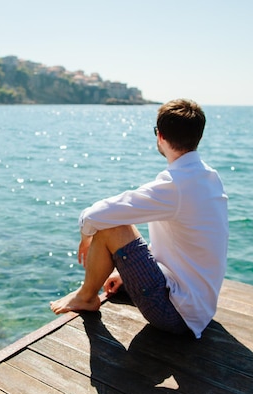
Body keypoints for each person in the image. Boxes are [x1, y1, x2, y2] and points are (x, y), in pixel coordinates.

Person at [50, 98, 228, 339]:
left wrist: (85, 237)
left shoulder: (175, 185)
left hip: (178, 317)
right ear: (198, 136)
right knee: (120, 224)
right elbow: (179, 245)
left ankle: (87, 296)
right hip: (200, 307)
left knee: (111, 228)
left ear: (160, 136)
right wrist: (125, 273)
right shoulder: (209, 177)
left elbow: (93, 216)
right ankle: (92, 291)